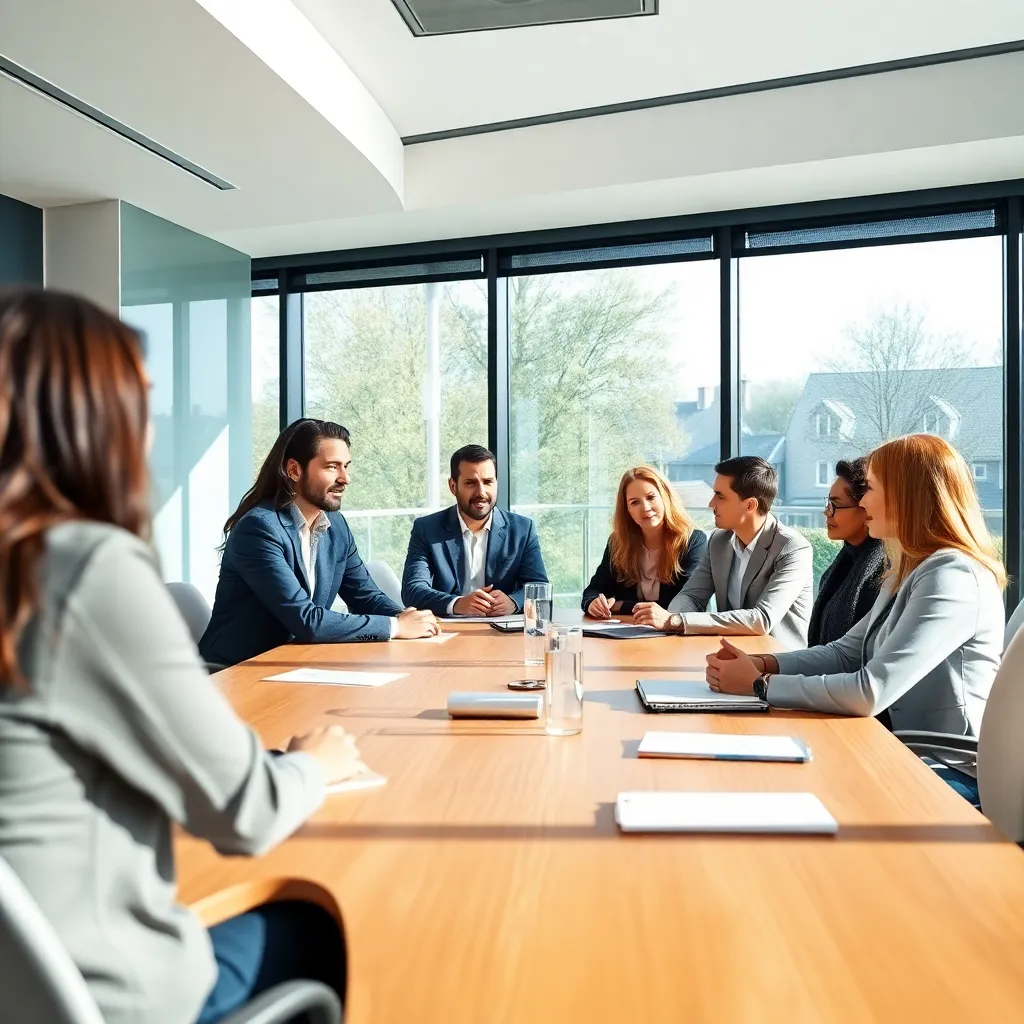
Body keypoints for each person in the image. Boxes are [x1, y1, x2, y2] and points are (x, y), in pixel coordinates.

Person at [0, 289, 361, 1024]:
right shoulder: (83, 569)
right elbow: (246, 813)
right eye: (141, 402)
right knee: (319, 923)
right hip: (106, 994)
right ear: (93, 417)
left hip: (21, 986)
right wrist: (316, 764)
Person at [705, 434, 1005, 800]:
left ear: (905, 496)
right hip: (899, 747)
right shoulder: (909, 569)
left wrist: (760, 685)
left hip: (946, 768)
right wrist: (762, 661)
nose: (862, 501)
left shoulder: (952, 575)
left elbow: (870, 691)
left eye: (872, 489)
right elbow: (844, 653)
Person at [200, 419, 438, 667]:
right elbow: (307, 620)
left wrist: (409, 617)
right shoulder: (260, 529)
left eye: (346, 466)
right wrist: (395, 626)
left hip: (298, 662)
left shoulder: (336, 526)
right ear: (294, 470)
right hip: (240, 670)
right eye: (332, 467)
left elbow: (365, 597)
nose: (345, 478)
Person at [635, 456, 813, 650]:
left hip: (778, 666)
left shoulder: (793, 548)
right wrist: (671, 620)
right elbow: (691, 596)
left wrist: (677, 621)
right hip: (728, 659)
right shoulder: (719, 541)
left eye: (720, 496)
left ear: (750, 505)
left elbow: (761, 619)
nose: (711, 504)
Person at [401, 444, 548, 617]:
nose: (481, 492)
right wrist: (457, 604)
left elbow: (540, 587)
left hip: (501, 630)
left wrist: (513, 602)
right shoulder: (427, 528)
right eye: (470, 483)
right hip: (447, 630)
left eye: (488, 482)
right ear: (453, 486)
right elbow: (413, 590)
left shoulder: (522, 529)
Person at [582, 465, 708, 619]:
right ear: (627, 510)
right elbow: (593, 591)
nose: (645, 508)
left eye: (651, 497)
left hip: (676, 636)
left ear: (665, 497)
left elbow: (682, 605)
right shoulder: (618, 542)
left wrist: (620, 605)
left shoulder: (692, 541)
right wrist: (593, 603)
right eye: (635, 502)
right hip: (628, 633)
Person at [807, 457, 886, 646]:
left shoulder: (886, 572)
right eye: (828, 503)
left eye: (836, 505)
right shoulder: (845, 560)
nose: (827, 512)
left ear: (867, 507)